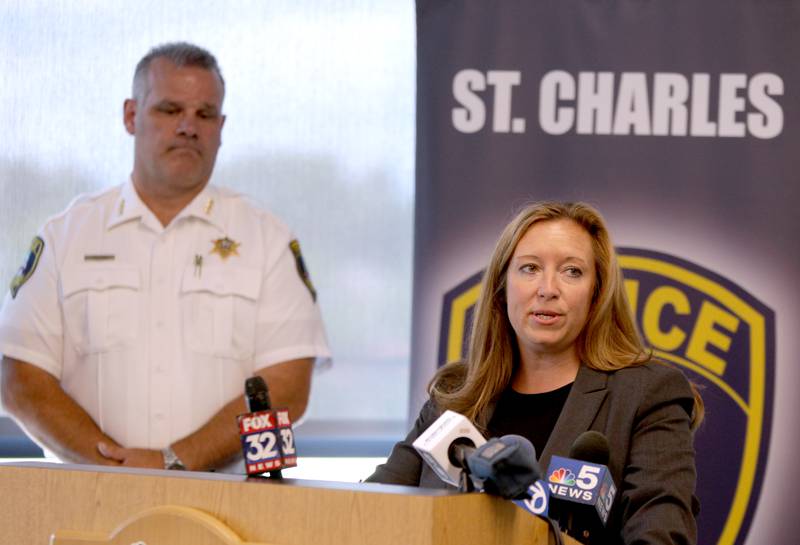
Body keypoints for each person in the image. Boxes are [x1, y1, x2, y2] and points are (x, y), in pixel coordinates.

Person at [0, 42, 330, 472]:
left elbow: (287, 387)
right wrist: (118, 468)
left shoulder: (266, 238)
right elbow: (20, 380)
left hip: (227, 513)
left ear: (221, 127)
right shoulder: (66, 236)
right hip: (90, 506)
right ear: (131, 116)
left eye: (205, 114)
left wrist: (174, 464)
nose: (188, 127)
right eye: (170, 110)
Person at [365, 201, 702, 544]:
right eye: (529, 268)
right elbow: (369, 510)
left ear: (597, 293)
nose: (548, 289)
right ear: (502, 285)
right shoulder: (455, 397)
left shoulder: (645, 394)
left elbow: (661, 536)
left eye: (572, 271)